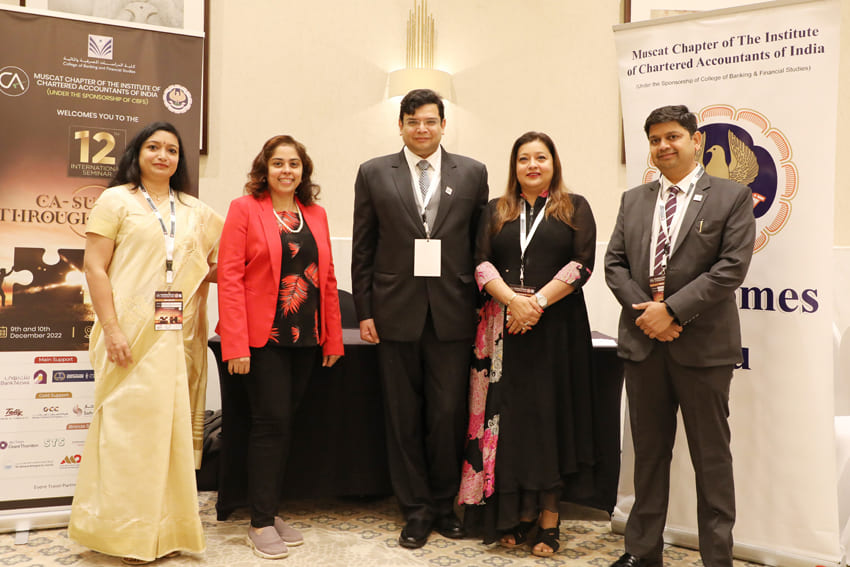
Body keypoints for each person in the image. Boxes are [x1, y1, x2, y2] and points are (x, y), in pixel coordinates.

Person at [604, 105, 755, 567]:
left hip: (703, 348)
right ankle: (641, 551)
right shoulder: (634, 199)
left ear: (696, 141)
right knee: (648, 456)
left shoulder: (731, 196)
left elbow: (730, 268)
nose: (663, 146)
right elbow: (614, 265)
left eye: (672, 136)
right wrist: (648, 315)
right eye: (655, 140)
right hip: (643, 346)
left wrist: (671, 311)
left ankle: (717, 558)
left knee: (711, 458)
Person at [69, 121, 223, 565]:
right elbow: (94, 268)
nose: (162, 156)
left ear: (180, 160)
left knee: (168, 435)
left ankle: (165, 531)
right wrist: (113, 329)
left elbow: (221, 264)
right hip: (128, 336)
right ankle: (122, 535)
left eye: (171, 150)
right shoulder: (115, 200)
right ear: (137, 153)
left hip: (177, 337)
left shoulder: (195, 211)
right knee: (127, 435)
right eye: (153, 147)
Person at [351, 88, 489, 549]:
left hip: (453, 311)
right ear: (401, 126)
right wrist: (365, 310)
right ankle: (415, 508)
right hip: (394, 311)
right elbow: (364, 247)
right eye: (412, 121)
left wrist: (482, 305)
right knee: (402, 415)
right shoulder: (373, 172)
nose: (422, 129)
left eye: (430, 121)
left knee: (448, 414)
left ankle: (445, 503)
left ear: (443, 125)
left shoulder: (472, 172)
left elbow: (480, 246)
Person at [457, 132, 597, 557]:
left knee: (549, 421)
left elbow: (582, 264)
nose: (532, 165)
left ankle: (550, 519)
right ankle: (517, 514)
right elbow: (480, 263)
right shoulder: (495, 210)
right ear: (514, 166)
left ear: (554, 163)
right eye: (524, 159)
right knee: (512, 423)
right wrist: (513, 302)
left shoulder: (575, 207)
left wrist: (534, 304)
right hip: (502, 331)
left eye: (541, 157)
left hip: (556, 329)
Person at [217, 135, 344, 560]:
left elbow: (327, 278)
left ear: (303, 171)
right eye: (278, 163)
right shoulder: (244, 209)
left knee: (286, 425)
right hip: (262, 338)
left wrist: (333, 337)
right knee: (270, 425)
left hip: (306, 336)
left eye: (294, 164)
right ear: (265, 169)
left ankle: (268, 511)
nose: (286, 170)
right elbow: (230, 278)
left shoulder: (315, 214)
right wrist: (235, 344)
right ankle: (259, 523)